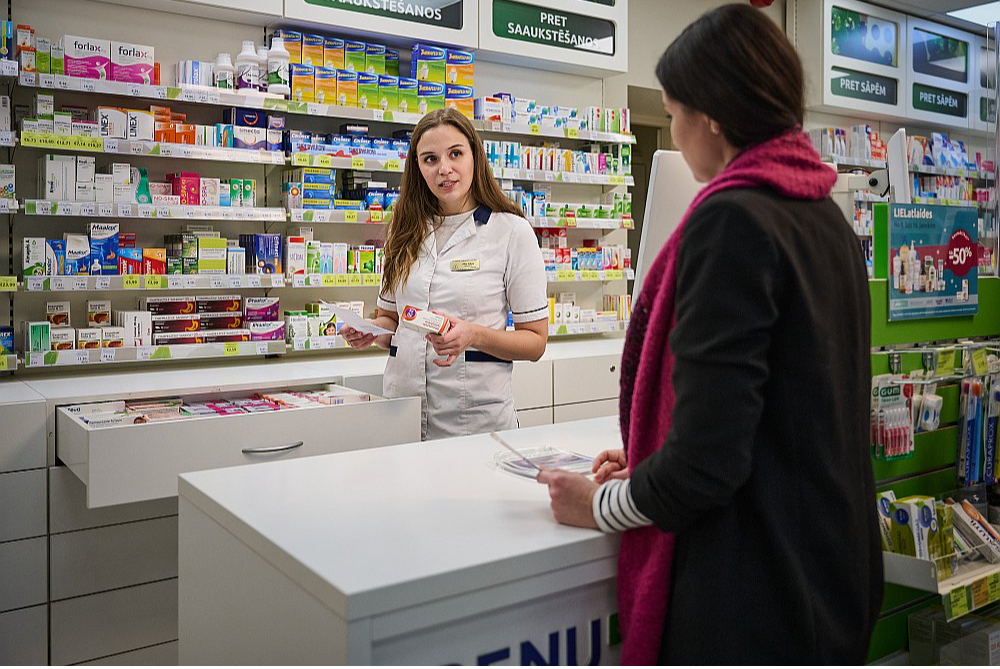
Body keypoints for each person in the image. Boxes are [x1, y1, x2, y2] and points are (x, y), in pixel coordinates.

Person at [537, 4, 883, 664]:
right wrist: (649, 461)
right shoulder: (824, 217)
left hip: (755, 597)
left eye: (673, 111)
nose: (675, 128)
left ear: (712, 116)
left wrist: (602, 503)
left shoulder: (732, 223)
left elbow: (707, 461)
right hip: (835, 573)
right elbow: (781, 411)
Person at [341, 108, 549, 440]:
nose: (445, 169)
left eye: (455, 154)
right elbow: (391, 322)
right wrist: (368, 332)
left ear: (474, 156)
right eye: (430, 159)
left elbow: (535, 342)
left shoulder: (511, 232)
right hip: (402, 412)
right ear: (418, 168)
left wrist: (473, 335)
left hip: (474, 420)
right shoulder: (403, 230)